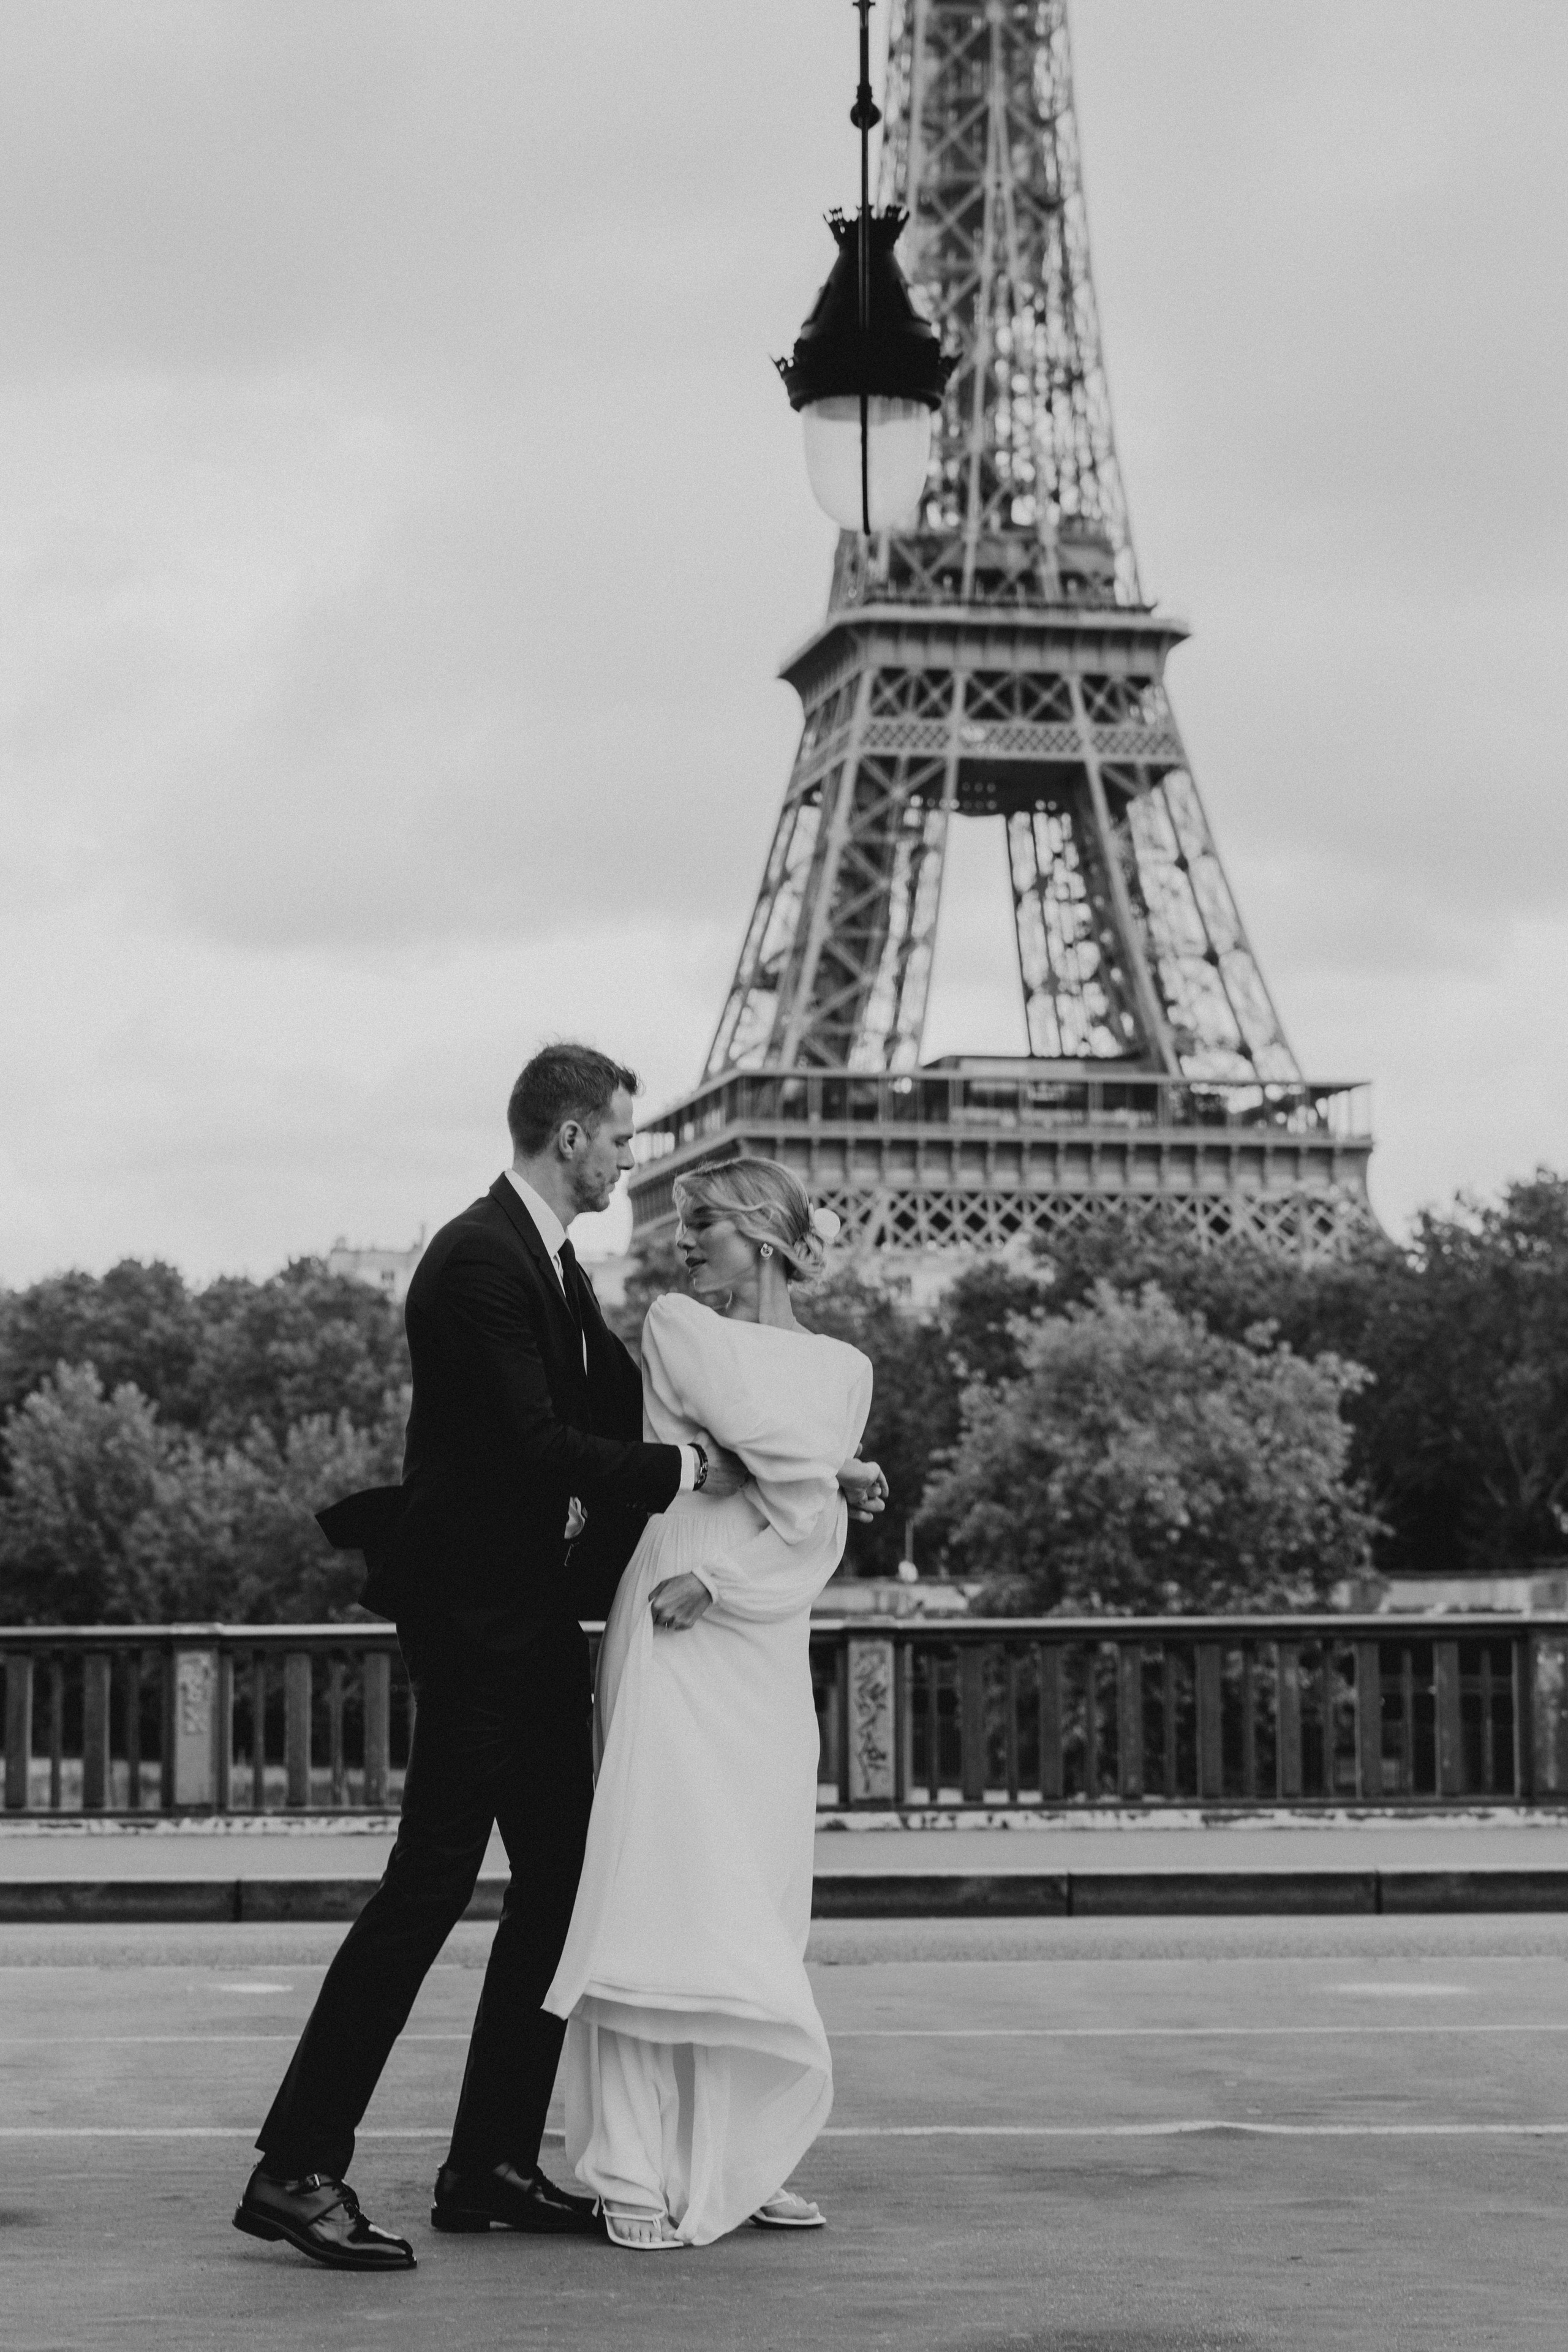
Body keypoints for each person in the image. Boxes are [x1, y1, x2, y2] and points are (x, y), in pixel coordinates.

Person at [233, 1046, 884, 2272]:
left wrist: (817, 1468)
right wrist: (705, 1474)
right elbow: (543, 1448)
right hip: (477, 1616)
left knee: (566, 1886)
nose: (633, 1160)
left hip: (522, 1614)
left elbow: (642, 1407)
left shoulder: (543, 1259)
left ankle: (485, 2162)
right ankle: (298, 2166)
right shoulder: (481, 1258)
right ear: (574, 1135)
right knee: (430, 1886)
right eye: (623, 1138)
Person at [544, 1156, 878, 2251]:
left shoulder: (848, 1369)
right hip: (677, 1618)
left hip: (756, 1623)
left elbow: (801, 1507)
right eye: (681, 1226)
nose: (683, 1245)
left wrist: (814, 1498)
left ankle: (742, 2157)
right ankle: (632, 2166)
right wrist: (834, 1477)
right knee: (661, 1878)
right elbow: (791, 1469)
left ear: (769, 1238)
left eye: (705, 1227)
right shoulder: (682, 1325)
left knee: (759, 1890)